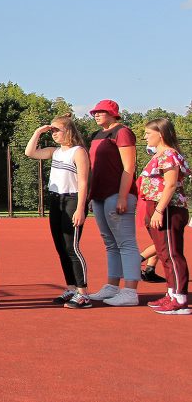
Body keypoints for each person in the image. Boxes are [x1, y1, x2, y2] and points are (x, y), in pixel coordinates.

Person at [24, 114, 92, 308]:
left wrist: (81, 208)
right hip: (56, 200)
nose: (53, 134)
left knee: (72, 247)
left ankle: (83, 293)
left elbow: (84, 182)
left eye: (57, 130)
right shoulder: (55, 152)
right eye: (51, 131)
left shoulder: (78, 152)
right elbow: (30, 152)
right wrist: (38, 131)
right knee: (61, 248)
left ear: (68, 131)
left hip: (72, 200)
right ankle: (71, 288)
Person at [86, 100, 141, 306]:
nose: (96, 115)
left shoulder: (123, 132)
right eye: (95, 112)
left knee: (125, 242)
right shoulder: (97, 135)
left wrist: (122, 195)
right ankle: (112, 286)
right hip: (99, 195)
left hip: (116, 194)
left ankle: (130, 291)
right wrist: (92, 195)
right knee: (110, 243)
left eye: (101, 112)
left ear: (113, 113)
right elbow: (94, 169)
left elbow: (129, 167)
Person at [137, 118, 190, 314]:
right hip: (159, 206)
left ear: (160, 133)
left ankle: (180, 299)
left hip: (168, 208)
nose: (145, 137)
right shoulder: (161, 154)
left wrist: (159, 210)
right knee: (163, 253)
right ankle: (171, 293)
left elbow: (170, 184)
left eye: (148, 133)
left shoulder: (168, 154)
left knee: (171, 254)